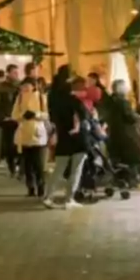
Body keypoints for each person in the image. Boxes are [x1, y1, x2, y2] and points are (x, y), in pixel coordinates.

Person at [42, 66, 90, 210]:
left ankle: (49, 197)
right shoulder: (73, 99)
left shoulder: (53, 97)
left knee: (59, 169)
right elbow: (83, 115)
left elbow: (51, 117)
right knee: (76, 169)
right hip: (78, 138)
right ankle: (69, 199)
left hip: (62, 136)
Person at [11, 78, 48, 197]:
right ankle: (30, 187)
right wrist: (22, 116)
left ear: (34, 86)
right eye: (23, 86)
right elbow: (14, 115)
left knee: (38, 163)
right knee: (27, 164)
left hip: (38, 134)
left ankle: (41, 185)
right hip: (24, 134)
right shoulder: (20, 98)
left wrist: (36, 114)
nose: (25, 88)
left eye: (28, 86)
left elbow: (47, 114)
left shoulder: (42, 97)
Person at [99, 79, 140, 177]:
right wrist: (139, 117)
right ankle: (130, 177)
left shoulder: (108, 101)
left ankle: (119, 177)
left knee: (117, 158)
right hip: (125, 134)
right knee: (132, 155)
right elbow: (130, 117)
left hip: (113, 133)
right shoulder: (123, 102)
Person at [0, 64, 21, 177]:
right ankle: (12, 167)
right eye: (14, 73)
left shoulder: (21, 86)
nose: (16, 75)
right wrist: (2, 117)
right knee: (9, 145)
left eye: (17, 73)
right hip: (8, 120)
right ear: (8, 73)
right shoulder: (1, 88)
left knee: (19, 144)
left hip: (19, 119)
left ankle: (19, 166)